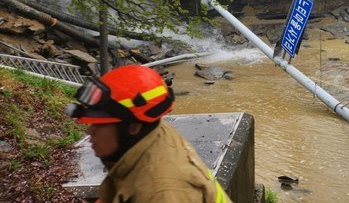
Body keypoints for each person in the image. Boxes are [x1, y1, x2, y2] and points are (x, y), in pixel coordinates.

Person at [65, 65, 231, 203]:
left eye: (100, 125)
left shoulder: (163, 193)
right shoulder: (152, 133)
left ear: (133, 127)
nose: (90, 131)